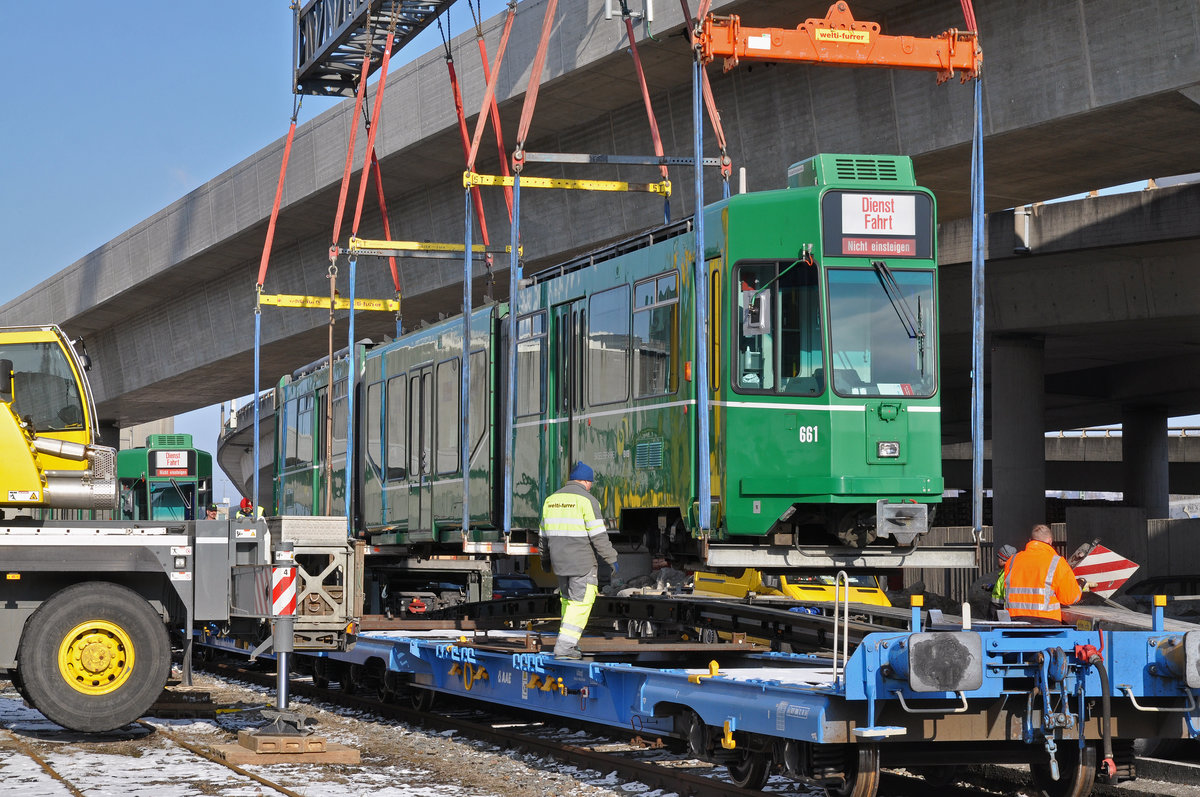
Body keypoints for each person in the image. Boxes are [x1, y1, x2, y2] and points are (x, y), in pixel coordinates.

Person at [538, 461, 619, 659]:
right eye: (590, 482)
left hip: (560, 564)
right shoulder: (587, 501)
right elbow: (598, 536)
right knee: (581, 602)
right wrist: (612, 559)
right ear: (585, 481)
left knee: (568, 602)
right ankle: (564, 648)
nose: (591, 486)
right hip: (581, 563)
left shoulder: (551, 500)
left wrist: (545, 560)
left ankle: (570, 645)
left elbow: (543, 536)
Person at [1003, 524, 1082, 623]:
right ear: (1050, 541)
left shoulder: (1012, 560)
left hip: (1014, 620)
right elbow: (1069, 598)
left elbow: (1004, 591)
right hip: (1046, 622)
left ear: (1029, 540)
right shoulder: (1057, 562)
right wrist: (1080, 587)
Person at [988, 544, 1018, 618]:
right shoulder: (1005, 573)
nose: (998, 560)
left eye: (999, 557)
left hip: (999, 611)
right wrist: (992, 587)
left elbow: (1006, 594)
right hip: (998, 610)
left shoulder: (1007, 574)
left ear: (1002, 559)